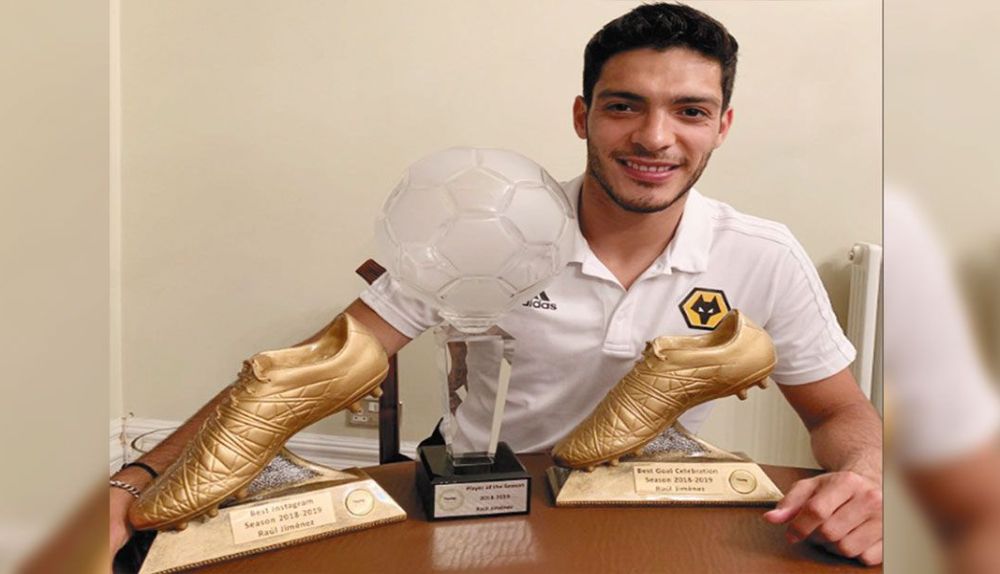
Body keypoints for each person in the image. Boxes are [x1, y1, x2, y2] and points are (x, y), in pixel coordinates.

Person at [110, 2, 882, 566]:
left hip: (645, 502)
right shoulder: (482, 229)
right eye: (625, 107)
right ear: (582, 116)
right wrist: (133, 481)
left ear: (722, 126)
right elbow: (301, 373)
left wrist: (866, 477)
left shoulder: (761, 255)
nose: (655, 137)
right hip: (483, 499)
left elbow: (841, 411)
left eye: (690, 111)